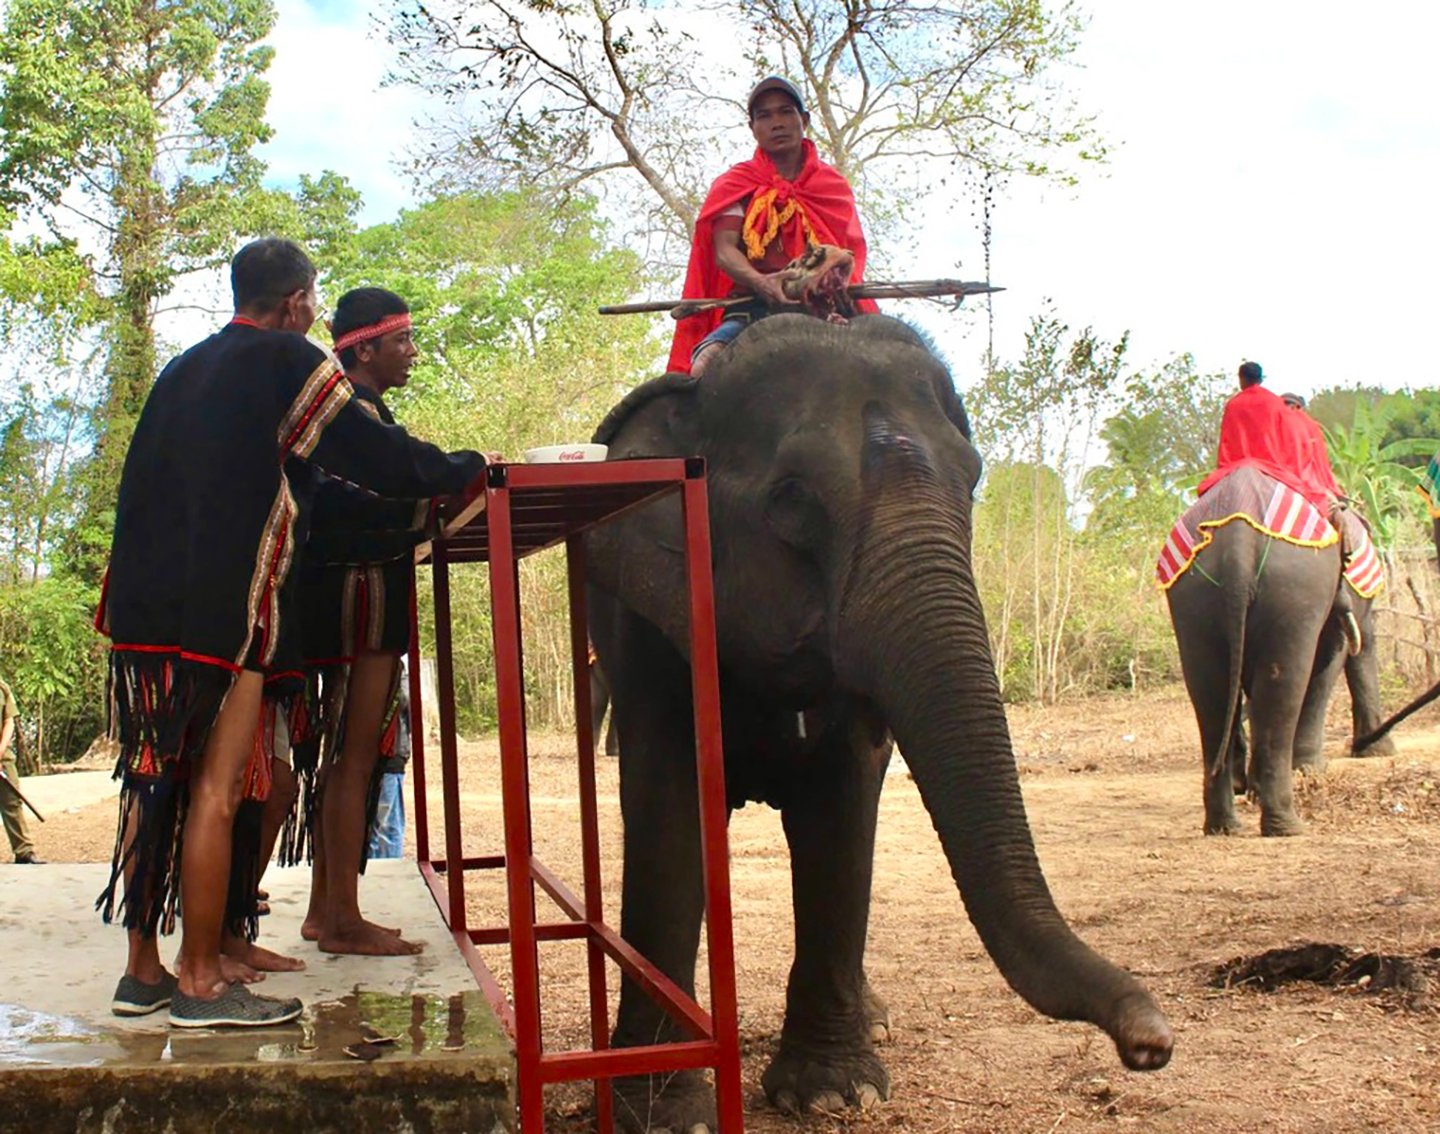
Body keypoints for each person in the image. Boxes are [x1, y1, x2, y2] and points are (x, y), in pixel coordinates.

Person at [96, 239, 487, 1027]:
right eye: (310, 297)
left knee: (150, 783)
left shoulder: (182, 367)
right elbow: (369, 456)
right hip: (223, 611)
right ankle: (203, 981)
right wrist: (461, 468)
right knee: (215, 790)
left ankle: (143, 971)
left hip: (139, 612)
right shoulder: (287, 360)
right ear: (297, 302)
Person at [294, 287, 432, 955]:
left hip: (340, 590)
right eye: (401, 341)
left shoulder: (351, 409)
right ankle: (342, 919)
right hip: (363, 591)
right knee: (353, 756)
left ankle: (328, 910)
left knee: (342, 757)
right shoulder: (354, 415)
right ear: (366, 347)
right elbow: (379, 490)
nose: (411, 352)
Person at [669, 76, 878, 378]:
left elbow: (849, 255)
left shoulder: (832, 186)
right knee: (703, 368)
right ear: (752, 128)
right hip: (752, 308)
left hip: (827, 308)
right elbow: (724, 249)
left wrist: (829, 282)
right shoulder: (736, 184)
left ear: (803, 120)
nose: (776, 122)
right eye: (764, 116)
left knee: (893, 370)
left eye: (785, 112)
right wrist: (761, 282)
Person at [1195, 361, 1323, 506]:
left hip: (1234, 467)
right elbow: (1287, 444)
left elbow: (1226, 442)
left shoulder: (1232, 404)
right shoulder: (1276, 404)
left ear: (1241, 379)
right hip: (1273, 470)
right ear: (1261, 379)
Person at [0, 674, 40, 864]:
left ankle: (24, 851)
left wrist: (0, 751)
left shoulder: (2, 686)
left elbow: (9, 722)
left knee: (12, 801)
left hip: (3, 757)